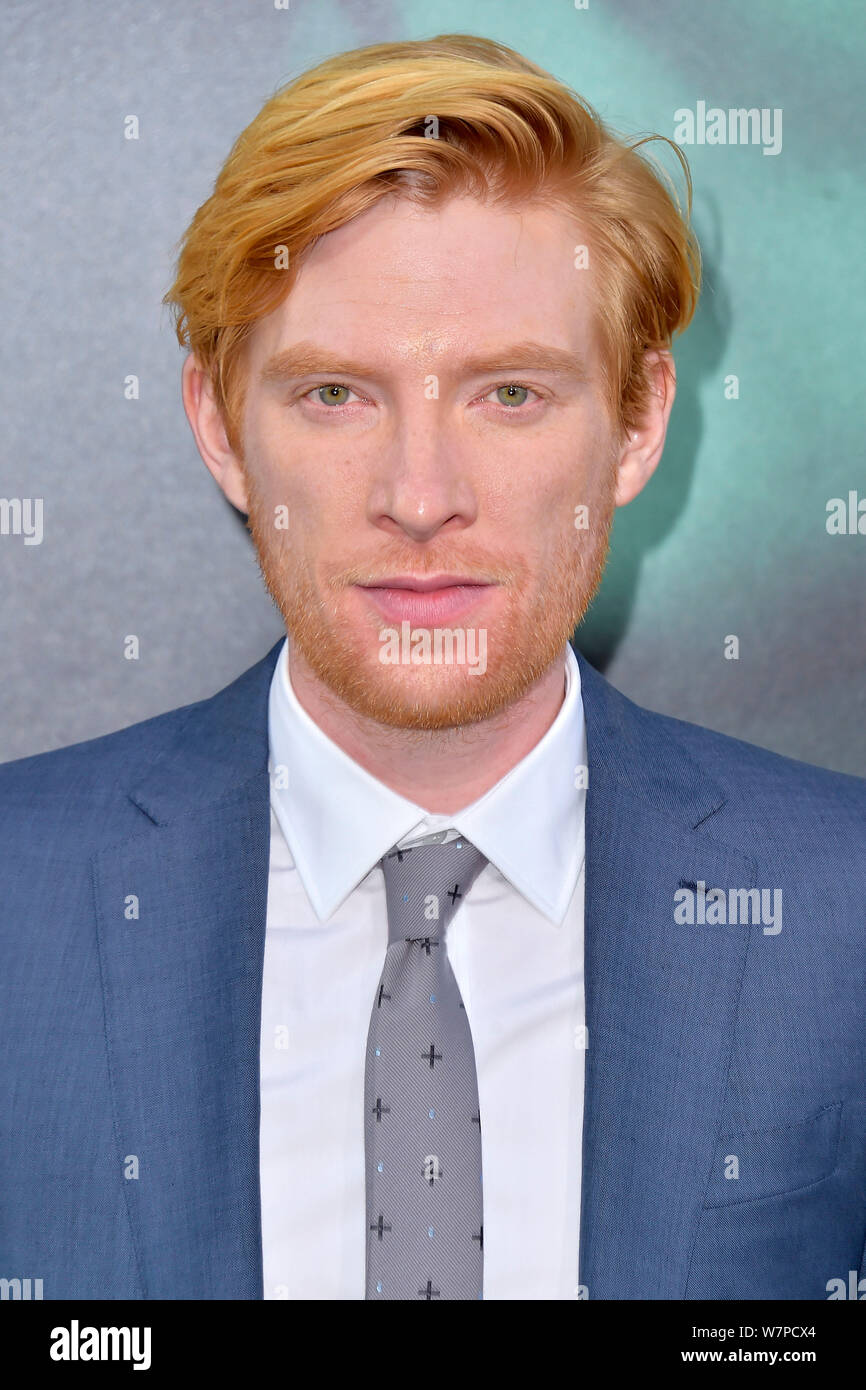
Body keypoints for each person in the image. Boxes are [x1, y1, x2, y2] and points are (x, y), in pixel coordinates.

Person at [1, 33, 864, 1302]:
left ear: (634, 424)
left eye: (508, 394)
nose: (419, 498)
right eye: (335, 395)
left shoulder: (840, 910)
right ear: (218, 428)